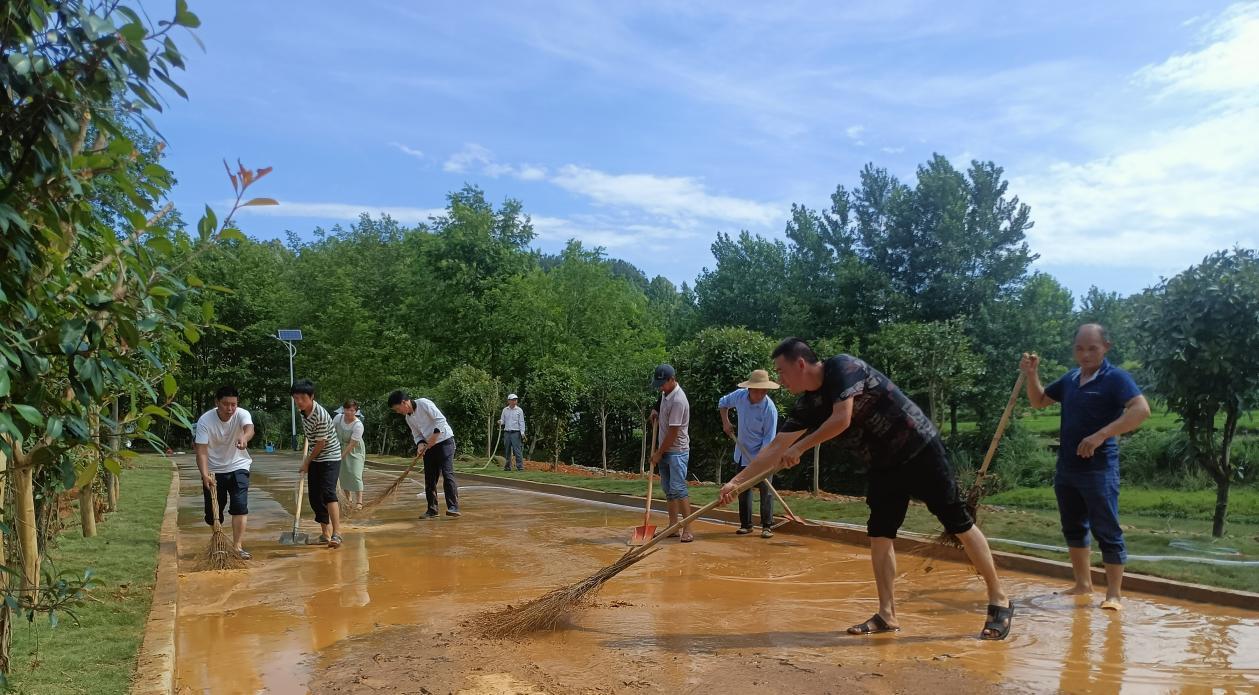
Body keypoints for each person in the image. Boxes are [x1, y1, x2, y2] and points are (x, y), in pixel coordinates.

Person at [719, 338, 1014, 640]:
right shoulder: (807, 405)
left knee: (958, 522)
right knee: (880, 534)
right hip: (883, 465)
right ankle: (887, 614)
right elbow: (774, 448)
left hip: (918, 449)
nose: (779, 379)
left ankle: (999, 599)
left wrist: (802, 447)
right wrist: (736, 482)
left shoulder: (843, 367)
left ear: (800, 364)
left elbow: (841, 418)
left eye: (781, 372)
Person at [1020, 323, 1150, 611]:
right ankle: (1083, 584)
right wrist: (1032, 375)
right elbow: (1039, 401)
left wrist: (1101, 435)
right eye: (1080, 348)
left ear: (1106, 347)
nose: (1086, 354)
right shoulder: (1071, 379)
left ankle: (1114, 594)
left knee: (1106, 528)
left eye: (1092, 348)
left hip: (1099, 469)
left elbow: (1141, 410)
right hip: (1067, 467)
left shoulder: (1116, 378)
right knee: (1073, 526)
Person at [194, 385, 255, 559]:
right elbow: (202, 450)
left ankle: (237, 546)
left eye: (233, 404)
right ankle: (219, 540)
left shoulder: (242, 414)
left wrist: (244, 437)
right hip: (213, 470)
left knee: (240, 506)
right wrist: (204, 474)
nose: (230, 409)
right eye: (225, 404)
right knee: (213, 513)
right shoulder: (205, 421)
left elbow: (249, 429)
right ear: (217, 403)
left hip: (239, 465)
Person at [719, 369, 780, 539]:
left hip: (763, 456)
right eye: (757, 390)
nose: (760, 394)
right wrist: (726, 422)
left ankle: (767, 526)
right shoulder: (739, 396)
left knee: (765, 490)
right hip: (742, 452)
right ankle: (746, 525)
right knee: (742, 489)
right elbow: (722, 403)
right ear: (749, 389)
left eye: (763, 391)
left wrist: (758, 464)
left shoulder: (769, 409)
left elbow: (769, 441)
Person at [388, 390, 460, 518]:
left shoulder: (424, 403)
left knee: (447, 473)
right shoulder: (408, 418)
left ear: (404, 402)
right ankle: (432, 509)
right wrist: (420, 444)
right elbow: (417, 434)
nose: (398, 412)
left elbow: (440, 419)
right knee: (430, 478)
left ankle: (453, 507)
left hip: (445, 442)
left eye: (398, 408)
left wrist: (434, 437)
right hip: (429, 446)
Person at [291, 379, 344, 548]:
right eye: (296, 398)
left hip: (330, 456)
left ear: (311, 397)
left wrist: (307, 462)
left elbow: (321, 444)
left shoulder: (320, 415)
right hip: (316, 456)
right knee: (315, 497)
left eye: (302, 398)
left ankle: (337, 534)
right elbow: (312, 436)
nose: (299, 401)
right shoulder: (303, 412)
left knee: (328, 493)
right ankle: (325, 534)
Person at [650, 364, 694, 543]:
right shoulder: (665, 394)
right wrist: (656, 411)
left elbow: (673, 432)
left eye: (662, 383)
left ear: (671, 380)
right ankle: (673, 526)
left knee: (679, 489)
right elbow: (661, 404)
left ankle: (688, 529)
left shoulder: (678, 400)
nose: (660, 387)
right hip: (665, 450)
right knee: (669, 490)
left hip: (677, 451)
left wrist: (658, 453)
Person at [334, 400, 366, 510]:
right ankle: (348, 499)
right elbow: (332, 432)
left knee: (355, 474)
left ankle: (359, 502)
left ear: (356, 411)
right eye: (346, 409)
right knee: (343, 475)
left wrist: (341, 456)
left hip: (355, 450)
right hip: (339, 447)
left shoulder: (358, 425)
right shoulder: (338, 418)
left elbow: (352, 444)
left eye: (352, 410)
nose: (348, 412)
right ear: (343, 409)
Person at [499, 393, 526, 472]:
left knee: (517, 450)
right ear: (509, 401)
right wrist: (500, 422)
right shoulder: (505, 410)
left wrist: (522, 432)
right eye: (513, 400)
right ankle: (507, 467)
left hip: (516, 433)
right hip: (507, 433)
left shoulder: (519, 410)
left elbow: (521, 422)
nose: (515, 401)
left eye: (515, 400)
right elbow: (503, 420)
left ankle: (520, 467)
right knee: (507, 451)